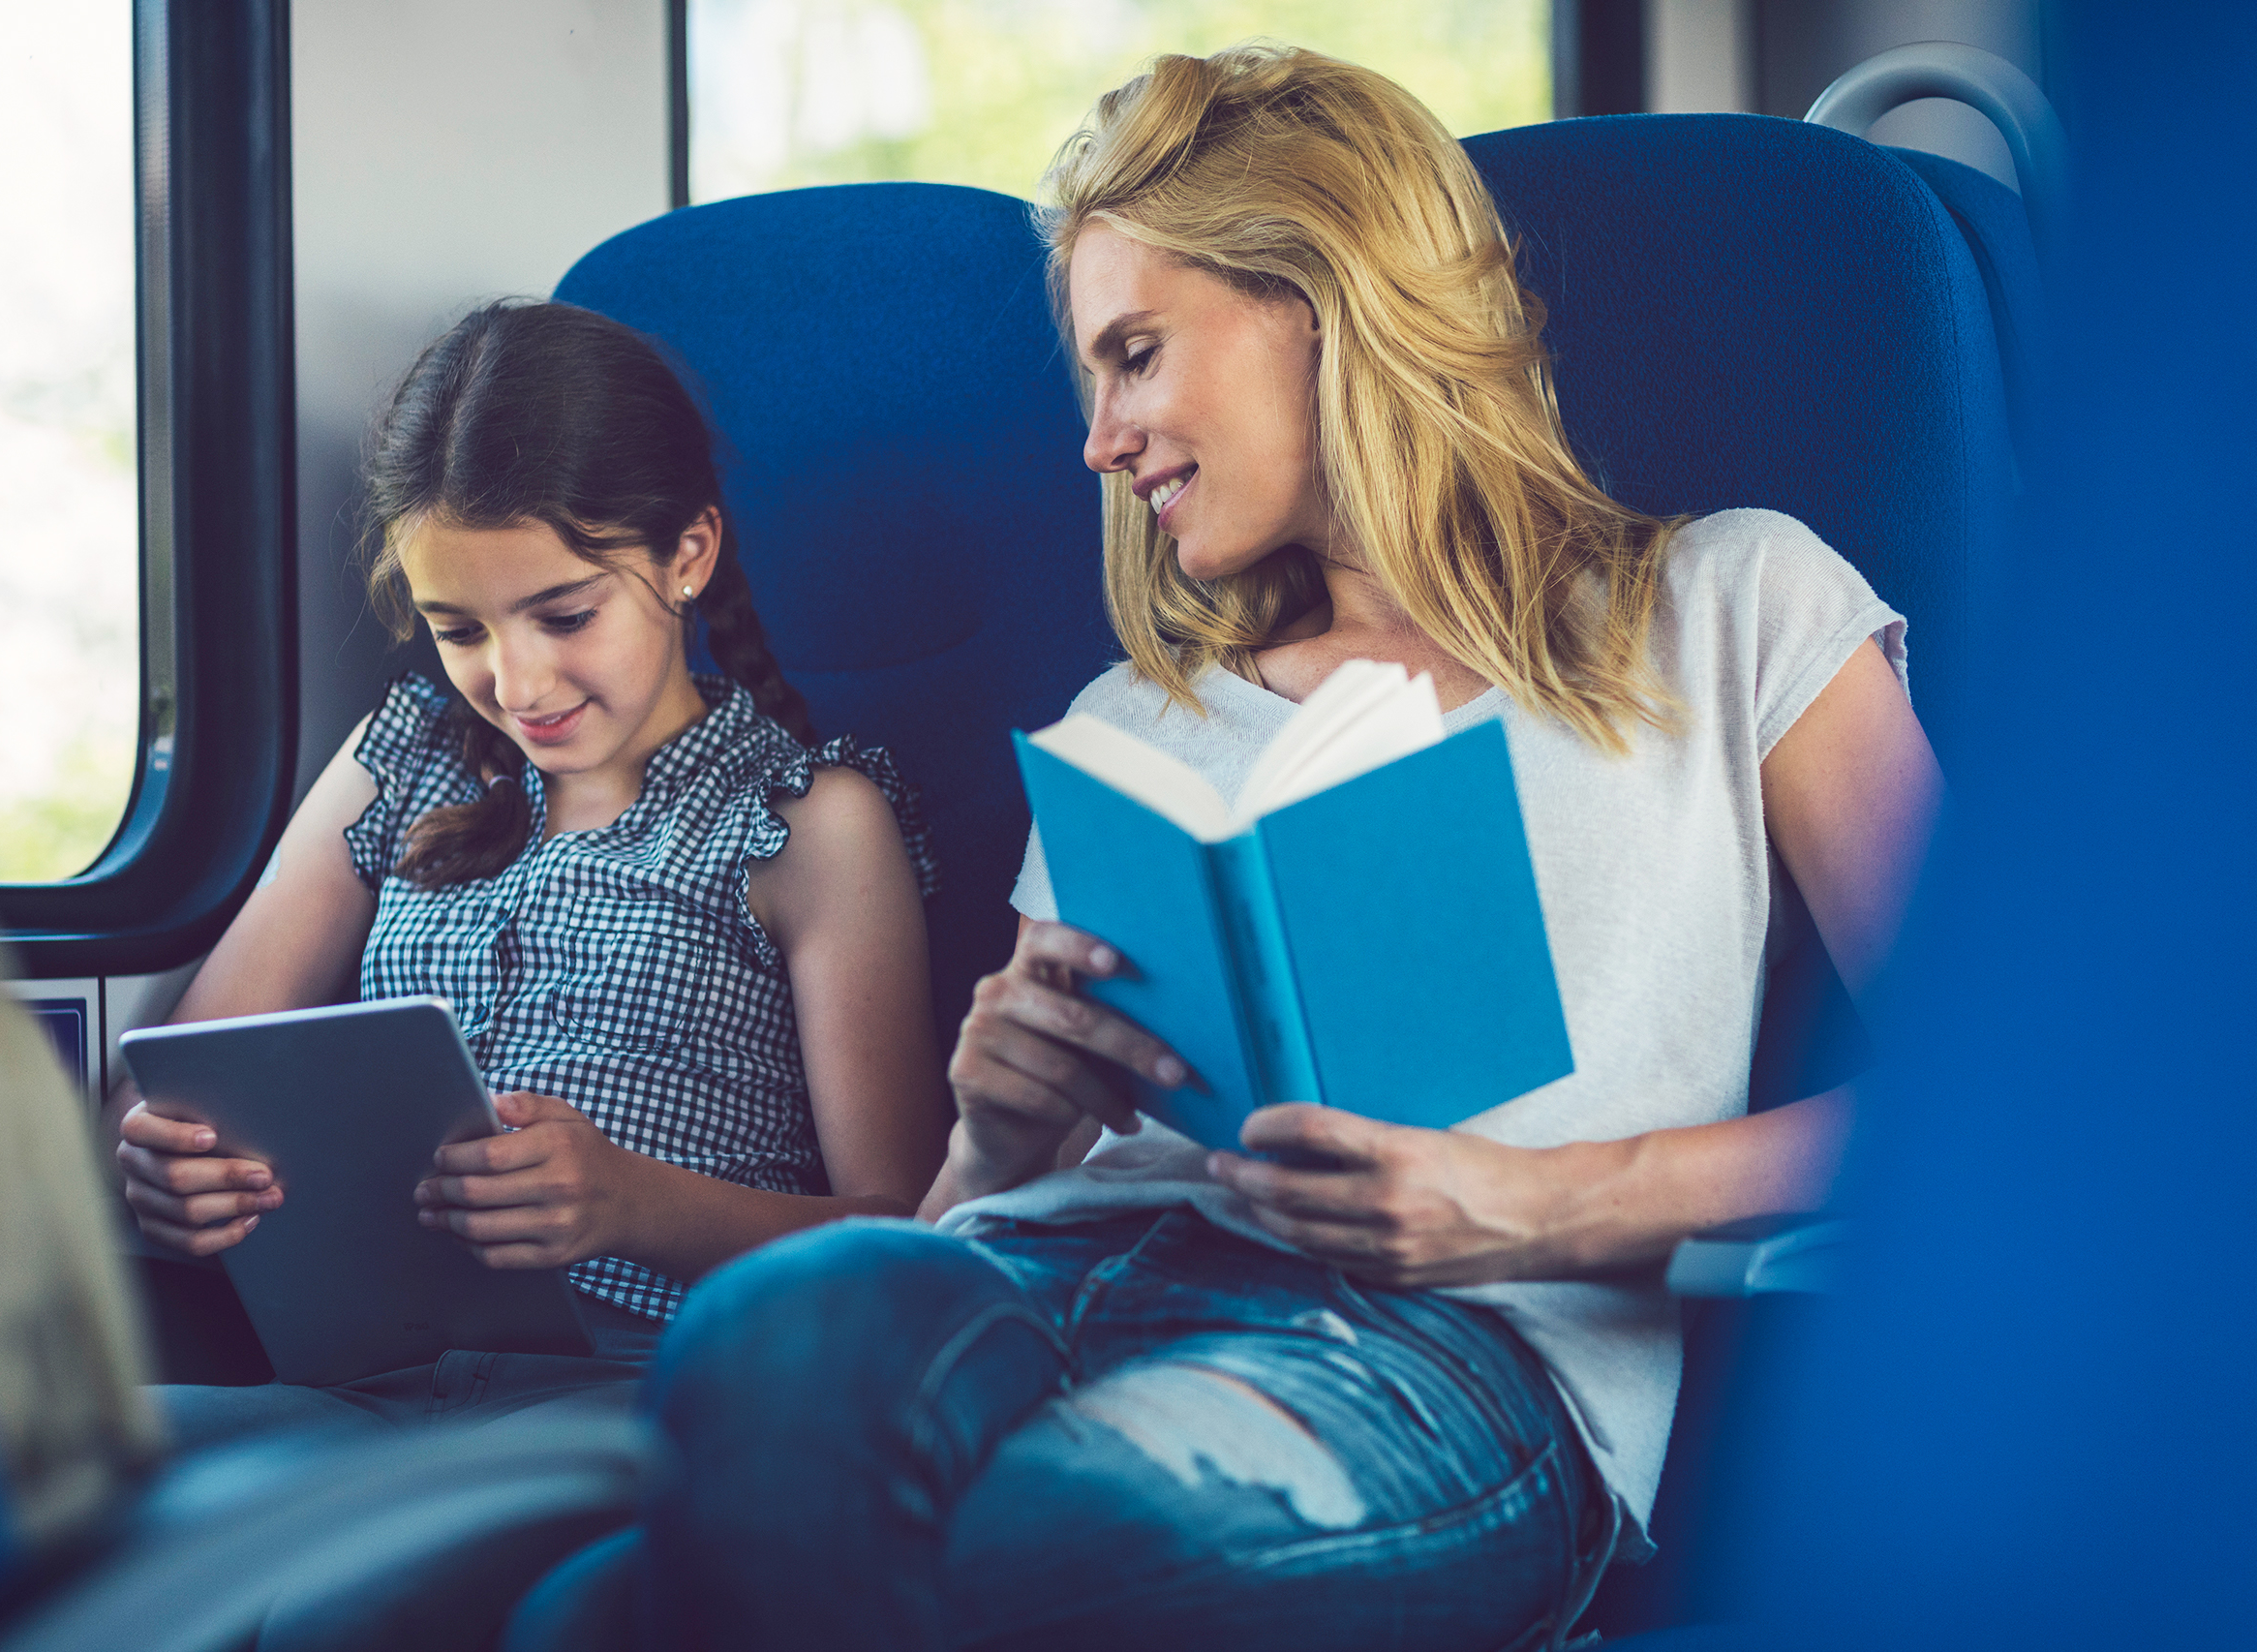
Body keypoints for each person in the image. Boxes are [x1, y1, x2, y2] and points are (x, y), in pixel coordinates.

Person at [625, 45, 1944, 1651]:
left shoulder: (1732, 605)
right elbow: (960, 1221)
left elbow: (2010, 1103)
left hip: (1435, 1342)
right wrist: (990, 1136)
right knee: (772, 1340)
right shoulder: (1132, 717)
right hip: (1050, 1276)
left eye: (1135, 355)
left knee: (920, 1567)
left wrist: (1534, 1204)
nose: (1100, 444)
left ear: (1321, 305)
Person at [110, 300, 947, 1446]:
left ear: (686, 554)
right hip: (358, 1383)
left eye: (564, 614)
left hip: (642, 1392)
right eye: (459, 630)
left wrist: (630, 1202)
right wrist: (160, 1169)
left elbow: (906, 1232)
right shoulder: (397, 759)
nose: (516, 681)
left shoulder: (808, 823)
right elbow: (169, 1083)